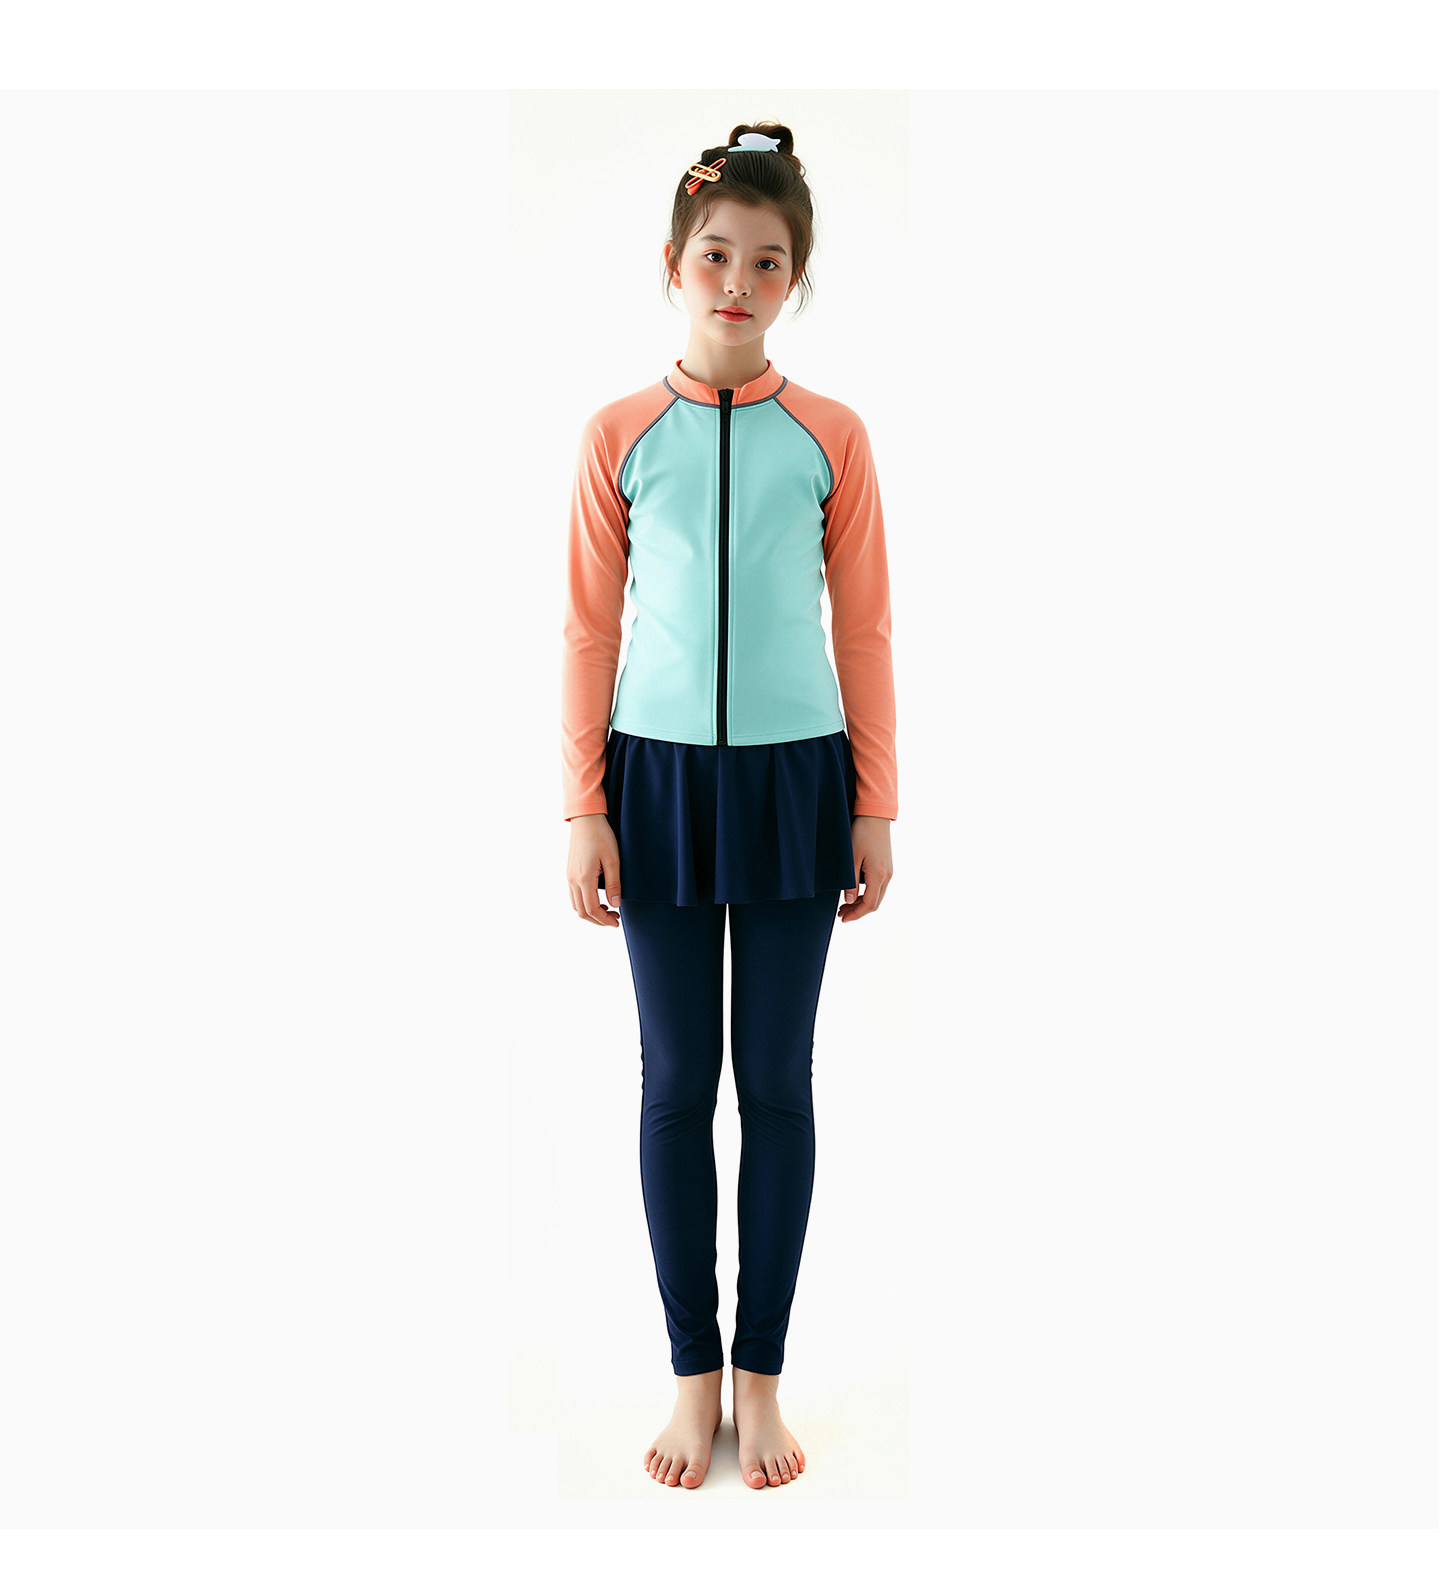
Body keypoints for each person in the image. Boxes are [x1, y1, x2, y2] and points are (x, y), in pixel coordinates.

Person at [560, 121, 899, 1492]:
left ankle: (761, 1379)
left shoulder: (833, 438)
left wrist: (876, 801)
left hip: (795, 781)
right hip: (652, 783)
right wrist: (582, 805)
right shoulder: (617, 436)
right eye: (717, 255)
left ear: (795, 279)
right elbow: (588, 631)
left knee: (777, 1086)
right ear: (673, 264)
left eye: (769, 261)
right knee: (673, 1087)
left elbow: (863, 629)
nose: (740, 282)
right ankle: (690, 1377)